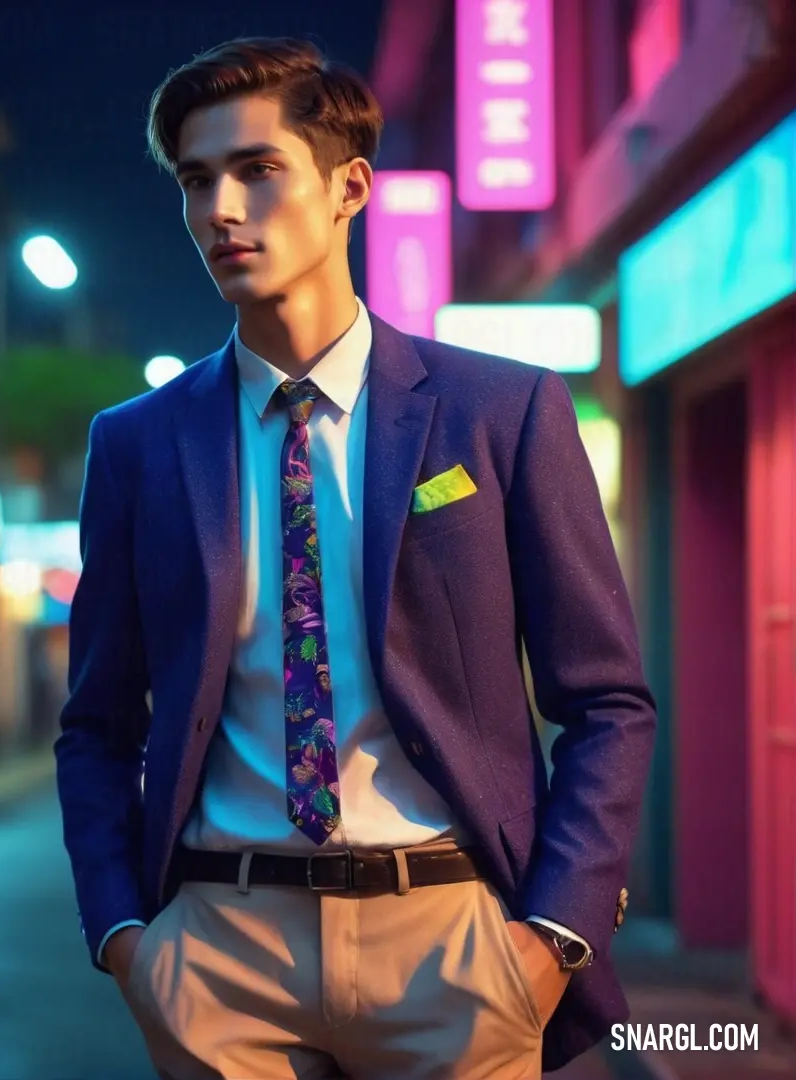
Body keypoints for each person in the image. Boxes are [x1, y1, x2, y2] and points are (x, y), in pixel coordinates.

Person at [56, 35, 656, 1080]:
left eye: (256, 170)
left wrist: (554, 934)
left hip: (454, 945)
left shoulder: (500, 413)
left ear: (349, 189)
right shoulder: (139, 444)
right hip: (221, 948)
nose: (220, 211)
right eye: (197, 182)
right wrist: (124, 938)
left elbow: (606, 700)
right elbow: (99, 723)